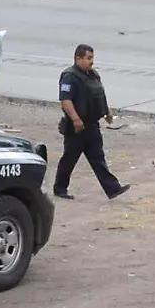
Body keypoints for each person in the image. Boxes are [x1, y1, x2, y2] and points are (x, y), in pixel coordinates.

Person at [53, 44, 128, 201]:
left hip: (92, 125)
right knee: (69, 158)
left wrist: (107, 112)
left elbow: (99, 94)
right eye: (88, 58)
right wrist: (76, 119)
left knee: (98, 158)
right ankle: (60, 188)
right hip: (77, 128)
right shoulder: (69, 76)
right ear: (77, 58)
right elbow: (66, 101)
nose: (91, 61)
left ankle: (113, 188)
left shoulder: (93, 75)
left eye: (92, 58)